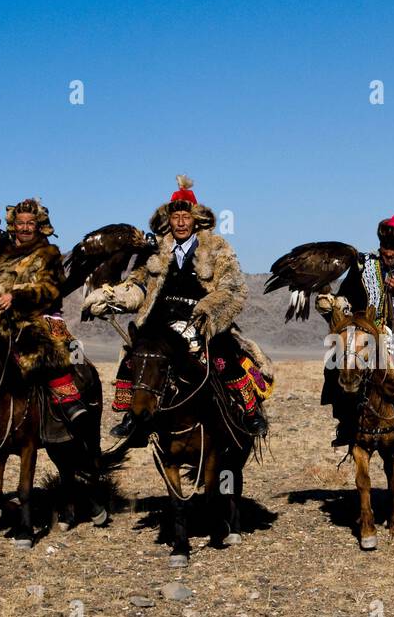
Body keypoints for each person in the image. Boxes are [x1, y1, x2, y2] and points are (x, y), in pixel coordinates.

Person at [83, 175, 271, 438]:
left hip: (202, 319)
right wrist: (112, 298)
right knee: (134, 357)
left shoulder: (217, 249)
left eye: (186, 217)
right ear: (168, 221)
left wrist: (210, 310)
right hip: (160, 322)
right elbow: (138, 285)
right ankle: (133, 417)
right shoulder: (156, 250)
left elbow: (234, 288)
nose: (181, 222)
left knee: (223, 357)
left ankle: (250, 414)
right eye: (175, 217)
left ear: (195, 219)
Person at [314, 213, 394, 448]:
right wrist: (333, 304)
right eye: (384, 247)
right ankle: (346, 423)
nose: (388, 253)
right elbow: (347, 294)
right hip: (365, 332)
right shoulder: (364, 264)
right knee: (335, 363)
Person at [0, 197, 87, 424]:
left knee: (47, 346)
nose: (25, 228)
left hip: (41, 315)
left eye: (30, 223)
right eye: (21, 223)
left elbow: (51, 289)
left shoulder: (49, 254)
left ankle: (68, 401)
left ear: (38, 225)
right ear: (13, 225)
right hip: (1, 318)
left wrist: (17, 296)